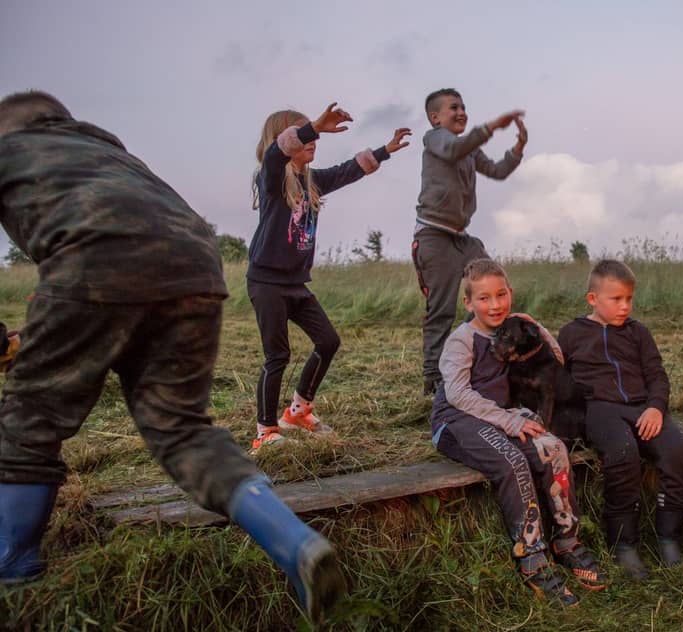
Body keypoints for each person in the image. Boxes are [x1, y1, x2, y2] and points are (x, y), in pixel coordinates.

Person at [0, 90, 344, 620]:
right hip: (194, 258)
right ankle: (296, 543)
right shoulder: (107, 149)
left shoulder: (12, 150)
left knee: (31, 418)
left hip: (92, 255)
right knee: (182, 429)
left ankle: (13, 570)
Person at [430, 258, 606, 605]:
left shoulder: (516, 328)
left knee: (554, 449)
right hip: (457, 422)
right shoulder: (461, 340)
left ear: (510, 293)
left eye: (501, 295)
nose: (495, 305)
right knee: (512, 461)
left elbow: (555, 358)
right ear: (468, 303)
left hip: (501, 415)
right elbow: (458, 394)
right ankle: (532, 557)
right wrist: (510, 421)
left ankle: (567, 540)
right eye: (484, 298)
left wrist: (535, 325)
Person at [248, 103, 410, 452]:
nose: (313, 141)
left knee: (328, 341)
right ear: (284, 139)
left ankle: (297, 411)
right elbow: (276, 155)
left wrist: (385, 150)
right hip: (267, 282)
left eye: (313, 135)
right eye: (303, 135)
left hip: (296, 283)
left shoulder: (312, 182)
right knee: (277, 356)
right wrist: (315, 127)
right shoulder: (271, 178)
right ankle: (265, 431)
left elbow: (348, 170)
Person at [558, 260, 683, 579]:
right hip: (599, 410)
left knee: (680, 451)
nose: (625, 306)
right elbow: (558, 379)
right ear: (592, 299)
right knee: (623, 452)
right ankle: (624, 544)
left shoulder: (638, 333)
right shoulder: (571, 334)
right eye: (616, 299)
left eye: (629, 299)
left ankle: (669, 537)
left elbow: (657, 375)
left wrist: (656, 407)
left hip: (642, 408)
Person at [412, 88, 527, 395]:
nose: (461, 112)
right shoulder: (435, 139)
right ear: (435, 118)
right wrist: (491, 127)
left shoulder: (469, 150)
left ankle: (473, 352)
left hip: (462, 238)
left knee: (493, 287)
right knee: (441, 310)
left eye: (463, 107)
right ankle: (434, 380)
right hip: (434, 235)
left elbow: (497, 171)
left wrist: (517, 149)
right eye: (453, 108)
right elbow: (453, 150)